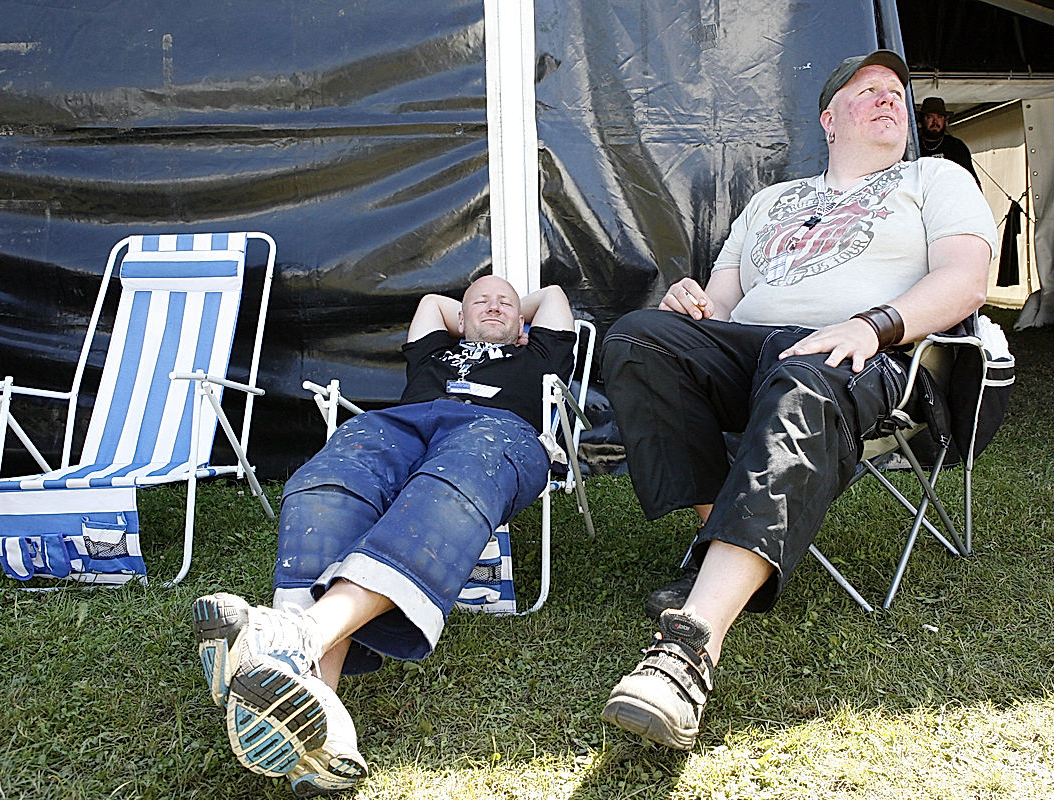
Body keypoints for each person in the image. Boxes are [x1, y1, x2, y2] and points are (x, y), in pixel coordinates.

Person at [598, 50, 997, 750]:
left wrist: (870, 325)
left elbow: (965, 281)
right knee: (638, 338)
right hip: (749, 344)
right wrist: (691, 302)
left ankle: (688, 650)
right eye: (868, 90)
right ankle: (725, 537)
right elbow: (719, 304)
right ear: (828, 116)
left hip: (868, 349)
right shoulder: (771, 203)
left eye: (897, 93)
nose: (889, 100)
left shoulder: (936, 177)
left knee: (804, 371)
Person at [191, 275, 575, 795]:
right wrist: (473, 314)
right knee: (330, 480)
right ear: (458, 320)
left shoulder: (538, 356)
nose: (494, 305)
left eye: (505, 302)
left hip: (496, 430)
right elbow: (430, 304)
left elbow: (552, 297)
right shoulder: (435, 355)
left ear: (523, 322)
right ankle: (320, 721)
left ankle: (292, 635)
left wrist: (511, 319)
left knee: (450, 482)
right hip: (402, 425)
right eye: (479, 301)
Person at [918, 96, 980, 186]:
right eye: (930, 117)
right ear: (922, 120)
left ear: (944, 120)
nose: (935, 122)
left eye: (939, 117)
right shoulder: (913, 147)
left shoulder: (956, 146)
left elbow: (972, 181)